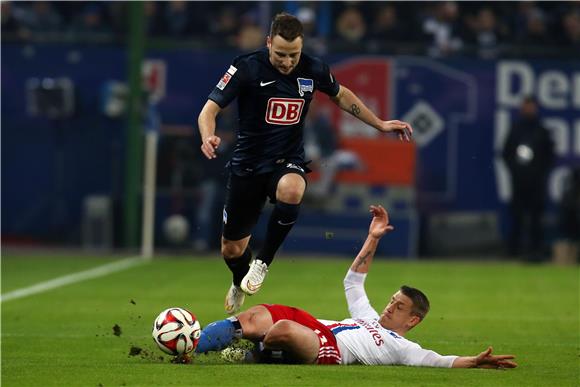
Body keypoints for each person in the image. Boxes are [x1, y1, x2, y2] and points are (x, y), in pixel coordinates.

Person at [198, 12, 413, 315]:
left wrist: (378, 124)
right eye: (281, 54)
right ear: (269, 42)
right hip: (247, 166)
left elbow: (341, 95)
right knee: (231, 250)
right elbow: (208, 110)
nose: (287, 62)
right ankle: (238, 280)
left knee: (293, 189)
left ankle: (263, 263)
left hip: (287, 161)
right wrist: (208, 137)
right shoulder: (246, 66)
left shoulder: (313, 69)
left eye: (293, 55)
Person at [193, 205, 517, 368]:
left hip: (328, 350)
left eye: (399, 306)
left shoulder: (401, 348)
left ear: (413, 320)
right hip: (317, 326)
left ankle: (253, 355)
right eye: (392, 300)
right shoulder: (368, 317)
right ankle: (191, 346)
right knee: (256, 315)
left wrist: (473, 361)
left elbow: (439, 360)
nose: (390, 306)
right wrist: (372, 238)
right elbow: (354, 280)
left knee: (282, 329)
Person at [502, 96, 554, 262]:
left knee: (536, 219)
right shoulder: (516, 129)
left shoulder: (542, 130)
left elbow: (549, 157)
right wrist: (516, 172)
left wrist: (539, 174)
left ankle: (535, 251)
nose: (529, 109)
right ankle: (514, 251)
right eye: (527, 106)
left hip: (536, 183)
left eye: (532, 106)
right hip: (519, 182)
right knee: (517, 217)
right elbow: (506, 154)